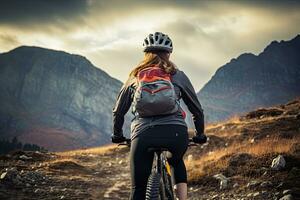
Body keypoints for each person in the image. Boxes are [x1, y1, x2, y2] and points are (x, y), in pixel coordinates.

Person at [112, 32, 207, 200]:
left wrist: (118, 135)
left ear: (145, 54)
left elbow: (119, 111)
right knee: (176, 161)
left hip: (143, 134)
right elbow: (196, 110)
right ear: (169, 54)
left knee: (139, 187)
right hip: (175, 132)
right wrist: (200, 135)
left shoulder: (135, 77)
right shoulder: (178, 75)